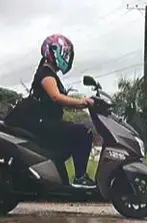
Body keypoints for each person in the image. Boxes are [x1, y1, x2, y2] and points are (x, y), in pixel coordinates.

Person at [30, 34, 95, 188]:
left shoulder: (50, 73)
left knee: (73, 135)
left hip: (48, 123)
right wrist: (81, 102)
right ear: (54, 51)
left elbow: (62, 100)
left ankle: (57, 178)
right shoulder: (46, 74)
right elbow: (56, 97)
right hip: (44, 124)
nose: (67, 58)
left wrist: (83, 104)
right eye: (65, 54)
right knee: (83, 132)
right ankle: (80, 177)